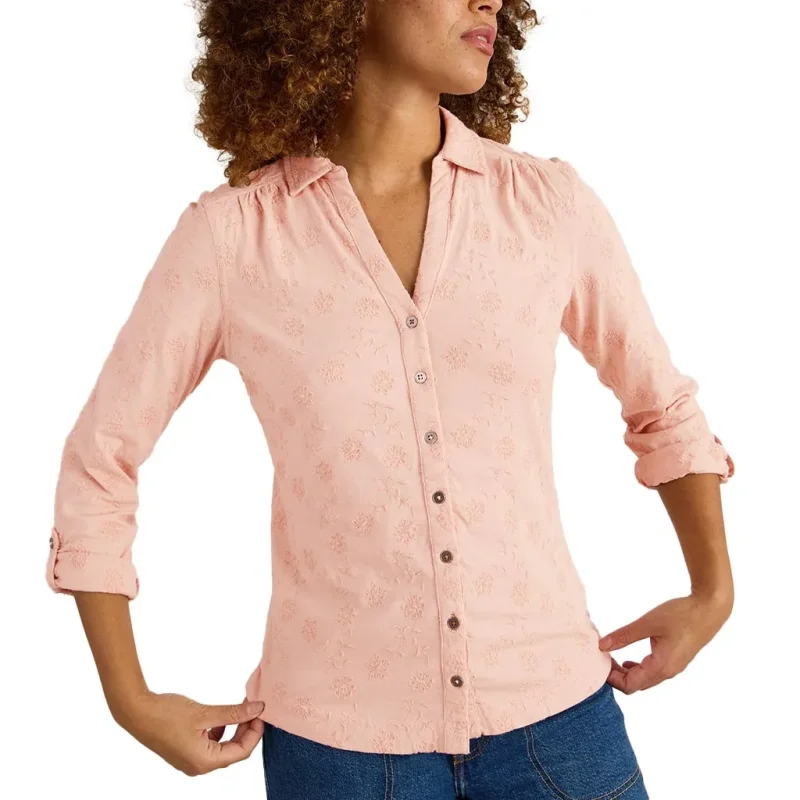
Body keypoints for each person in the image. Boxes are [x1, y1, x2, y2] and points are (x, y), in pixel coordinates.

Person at [45, 1, 735, 797]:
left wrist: (712, 591)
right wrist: (128, 699)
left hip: (560, 725)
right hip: (336, 751)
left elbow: (662, 407)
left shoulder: (546, 206)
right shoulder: (234, 237)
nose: (490, 1)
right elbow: (100, 460)